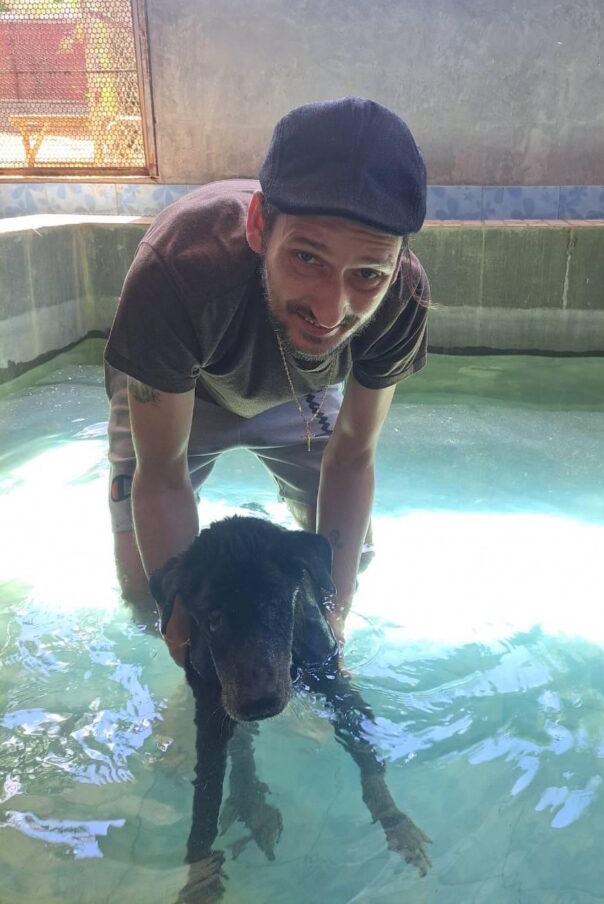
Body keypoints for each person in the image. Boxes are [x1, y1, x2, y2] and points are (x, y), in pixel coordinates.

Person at [104, 97, 430, 665]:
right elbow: (160, 476)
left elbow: (352, 457)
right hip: (185, 391)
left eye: (367, 274)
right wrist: (186, 647)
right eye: (307, 258)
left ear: (396, 263)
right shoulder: (176, 271)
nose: (333, 311)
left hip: (297, 395)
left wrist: (335, 614)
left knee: (351, 562)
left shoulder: (402, 296)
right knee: (146, 596)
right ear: (258, 225)